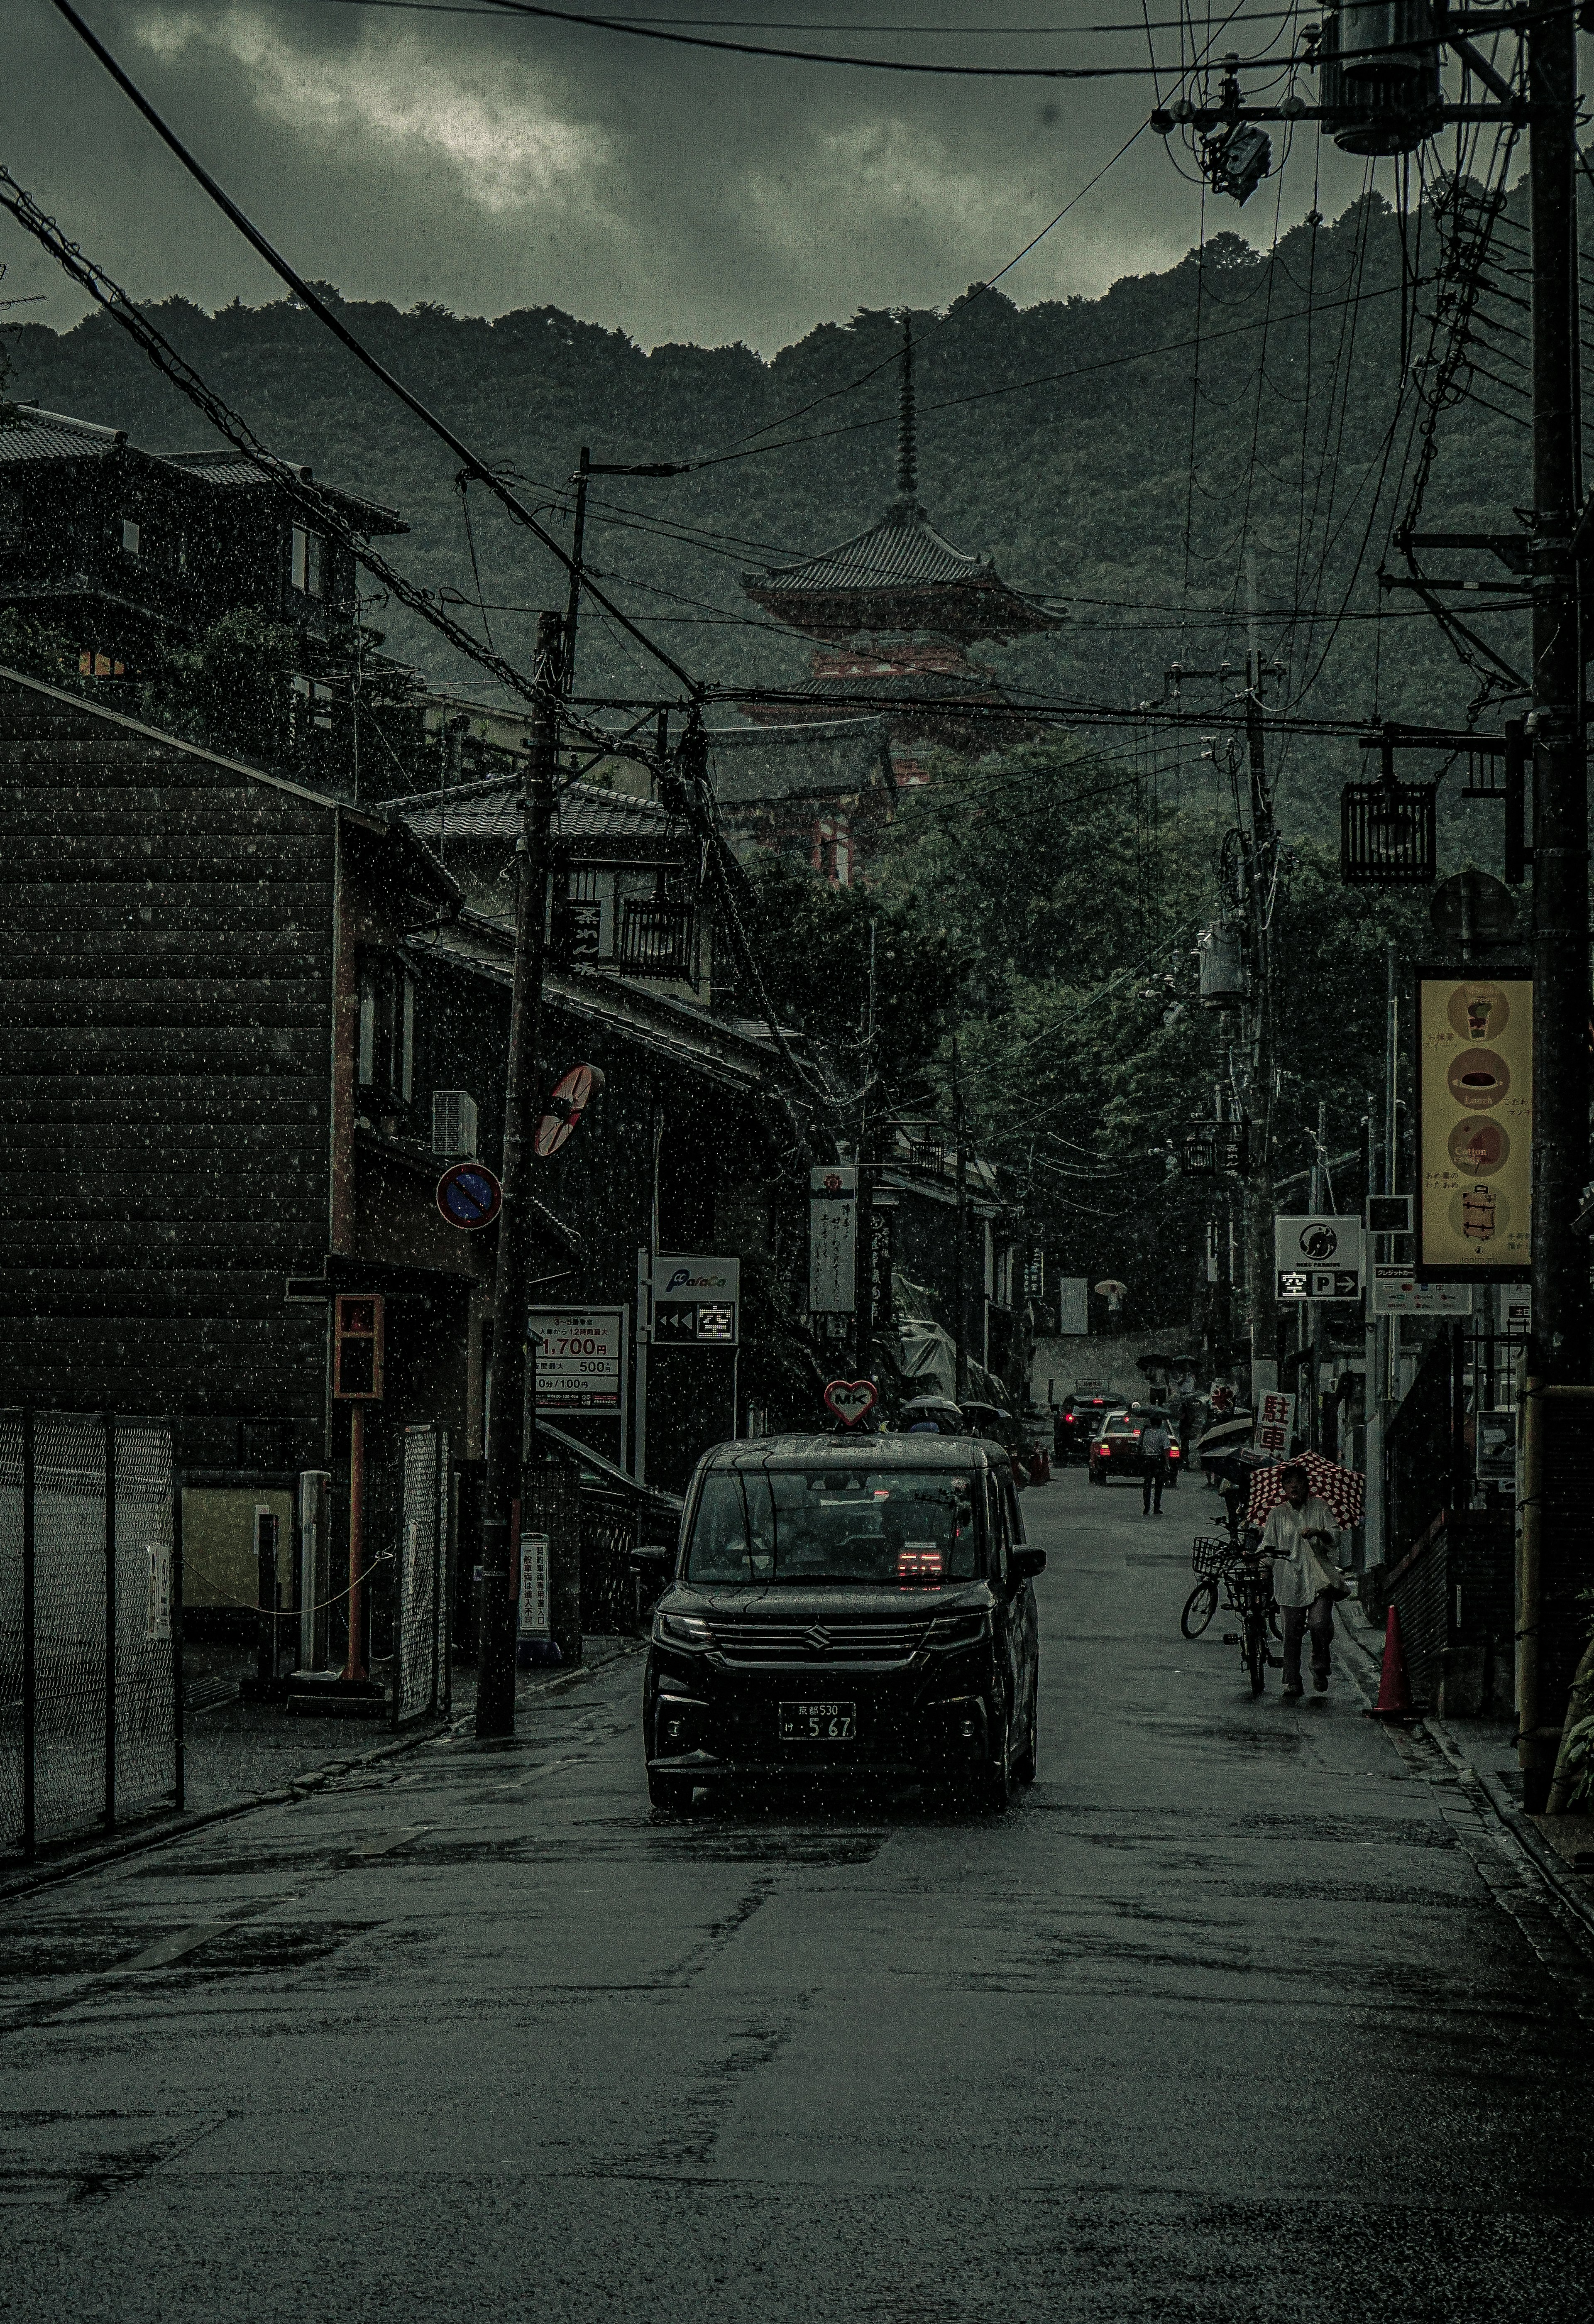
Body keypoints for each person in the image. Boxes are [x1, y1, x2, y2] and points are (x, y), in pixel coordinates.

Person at [1258, 1462, 1343, 1699]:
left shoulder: (1320, 1508)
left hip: (1318, 1579)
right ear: (1284, 1487)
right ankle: (1292, 1679)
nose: (1294, 1486)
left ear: (1307, 1486)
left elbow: (1335, 1537)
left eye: (1299, 1482)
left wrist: (1318, 1532)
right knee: (1291, 1633)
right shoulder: (1277, 1514)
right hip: (1288, 1580)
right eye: (1289, 1482)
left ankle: (1319, 1667)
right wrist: (1257, 1560)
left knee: (1319, 1624)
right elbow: (1268, 1547)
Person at [1140, 1416, 1173, 1515]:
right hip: (1158, 1460)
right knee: (1159, 1485)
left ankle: (1146, 1507)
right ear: (1160, 1423)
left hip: (1147, 1460)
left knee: (1147, 1485)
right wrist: (1167, 1463)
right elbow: (1167, 1448)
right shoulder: (1162, 1433)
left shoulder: (1145, 1432)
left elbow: (1139, 1444)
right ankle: (1156, 1507)